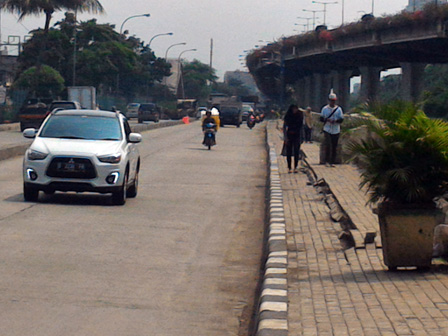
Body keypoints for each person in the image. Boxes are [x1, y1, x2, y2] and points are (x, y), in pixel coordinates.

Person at [320, 92, 344, 167]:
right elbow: (321, 118)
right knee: (328, 145)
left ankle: (332, 161)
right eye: (331, 100)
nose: (332, 102)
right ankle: (327, 161)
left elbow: (341, 119)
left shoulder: (339, 109)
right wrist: (327, 120)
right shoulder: (325, 109)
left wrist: (335, 121)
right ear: (329, 100)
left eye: (333, 100)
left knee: (334, 146)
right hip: (327, 129)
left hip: (336, 130)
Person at [283, 104, 304, 173]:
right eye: (293, 109)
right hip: (289, 134)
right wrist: (285, 137)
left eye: (296, 109)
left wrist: (302, 137)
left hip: (297, 135)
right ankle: (289, 167)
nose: (295, 110)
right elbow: (284, 127)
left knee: (296, 151)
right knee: (289, 151)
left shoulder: (300, 115)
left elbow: (301, 127)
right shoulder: (288, 116)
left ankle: (295, 167)